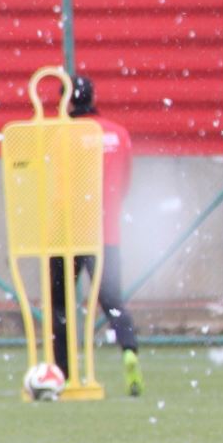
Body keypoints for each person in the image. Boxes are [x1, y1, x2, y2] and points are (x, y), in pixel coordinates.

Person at [49, 74, 144, 396]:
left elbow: (57, 187)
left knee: (60, 304)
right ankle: (129, 348)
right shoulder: (118, 134)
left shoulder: (62, 136)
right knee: (112, 300)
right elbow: (126, 184)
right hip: (106, 232)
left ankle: (63, 373)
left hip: (68, 233)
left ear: (67, 102)